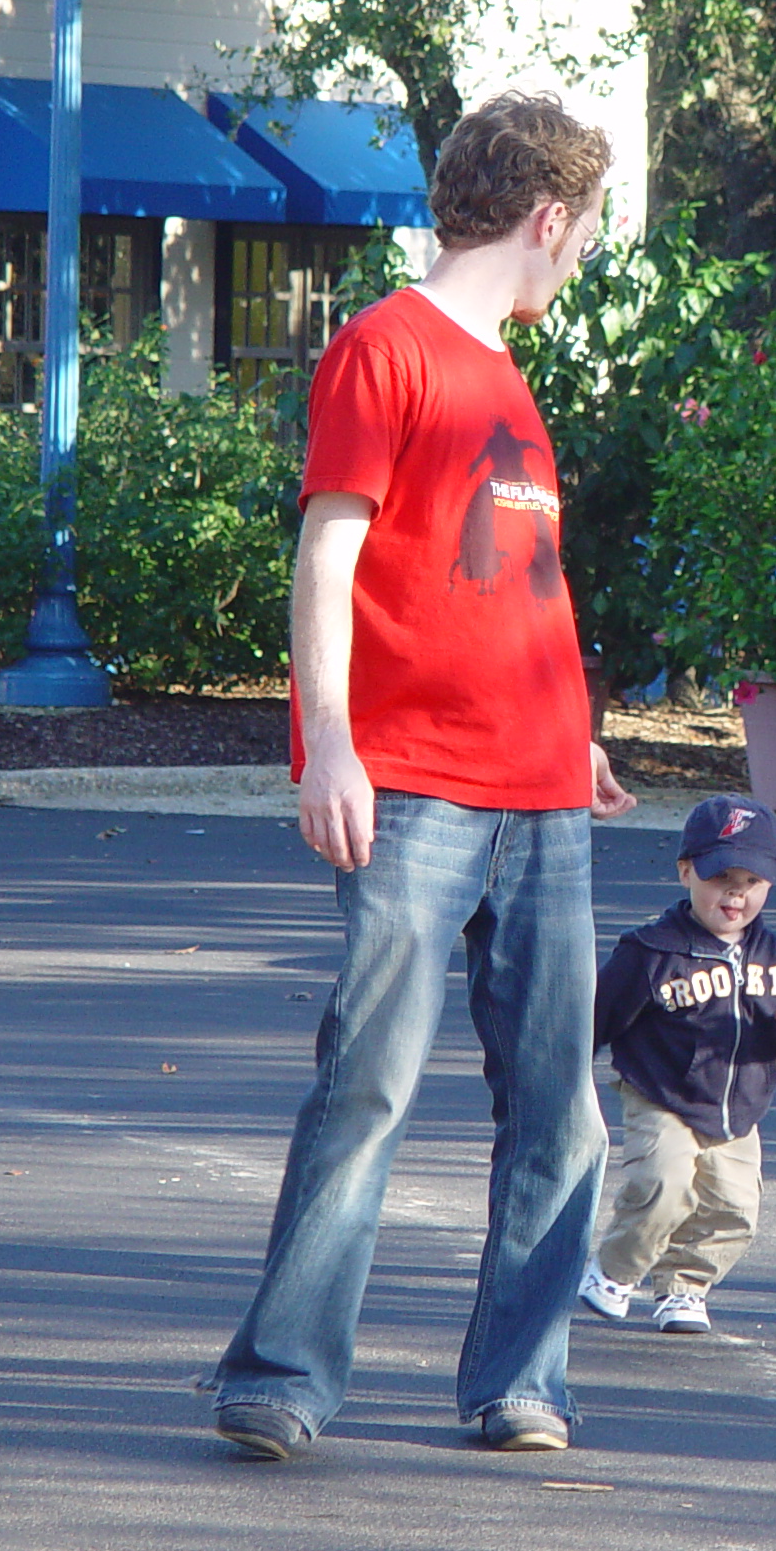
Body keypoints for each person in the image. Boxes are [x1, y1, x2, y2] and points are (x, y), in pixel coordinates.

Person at [207, 92, 637, 1458]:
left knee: (558, 1109)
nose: (575, 261)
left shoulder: (509, 378)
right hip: (415, 790)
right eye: (581, 236)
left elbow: (515, 584)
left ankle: (524, 1384)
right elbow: (328, 555)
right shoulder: (383, 350)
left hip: (544, 796)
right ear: (549, 218)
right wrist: (326, 742)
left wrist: (573, 731)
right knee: (369, 1084)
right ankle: (280, 1378)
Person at [576, 795, 776, 1335]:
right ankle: (614, 1272)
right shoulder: (650, 950)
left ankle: (683, 1288)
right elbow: (599, 1016)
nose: (735, 894)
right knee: (664, 1186)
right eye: (721, 878)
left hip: (738, 1107)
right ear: (686, 871)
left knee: (735, 1211)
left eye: (752, 882)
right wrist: (569, 1075)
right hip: (661, 1093)